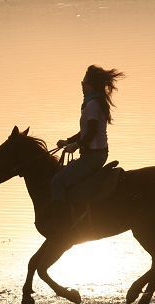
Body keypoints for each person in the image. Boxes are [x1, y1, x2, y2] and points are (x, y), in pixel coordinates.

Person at [49, 65, 124, 230]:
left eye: (83, 82)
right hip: (96, 154)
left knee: (57, 181)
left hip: (92, 156)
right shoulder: (95, 102)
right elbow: (85, 132)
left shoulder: (92, 105)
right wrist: (68, 141)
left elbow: (90, 132)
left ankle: (61, 224)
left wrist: (75, 145)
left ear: (90, 84)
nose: (81, 86)